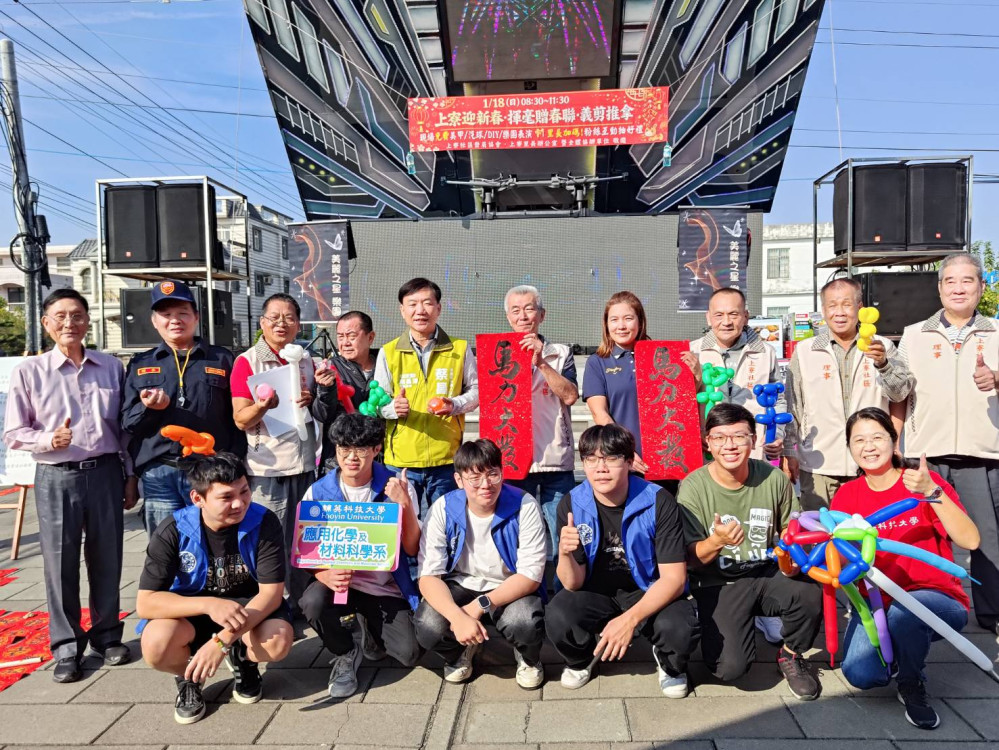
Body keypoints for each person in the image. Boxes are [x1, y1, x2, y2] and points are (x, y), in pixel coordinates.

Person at [3, 289, 137, 683]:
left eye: (76, 315)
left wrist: (130, 475)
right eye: (60, 316)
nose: (69, 323)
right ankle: (66, 646)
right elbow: (13, 432)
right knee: (59, 562)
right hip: (56, 475)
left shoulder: (110, 367)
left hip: (106, 472)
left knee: (108, 557)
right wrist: (49, 439)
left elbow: (123, 430)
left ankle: (107, 636)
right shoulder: (30, 371)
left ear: (87, 321)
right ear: (46, 323)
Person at [832, 406, 979, 730]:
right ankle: (902, 650)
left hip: (937, 597)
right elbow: (840, 560)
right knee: (861, 674)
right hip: (876, 604)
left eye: (876, 437)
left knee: (906, 612)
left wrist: (931, 492)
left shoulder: (923, 482)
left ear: (893, 440)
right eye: (859, 440)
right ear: (850, 447)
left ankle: (912, 682)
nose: (868, 447)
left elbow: (970, 539)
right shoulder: (847, 494)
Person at [679, 403, 823, 700]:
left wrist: (793, 551)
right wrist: (717, 541)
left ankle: (791, 654)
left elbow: (793, 530)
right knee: (729, 668)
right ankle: (717, 621)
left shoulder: (774, 478)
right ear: (708, 443)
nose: (729, 445)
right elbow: (691, 558)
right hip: (718, 581)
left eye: (739, 436)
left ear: (753, 440)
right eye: (720, 438)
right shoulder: (693, 486)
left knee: (809, 593)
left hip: (765, 571)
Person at [136, 452, 293, 725]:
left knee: (277, 641)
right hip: (193, 609)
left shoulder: (264, 521)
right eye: (226, 497)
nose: (239, 503)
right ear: (198, 499)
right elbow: (145, 602)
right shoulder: (173, 529)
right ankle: (189, 676)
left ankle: (243, 659)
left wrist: (222, 641)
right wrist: (209, 604)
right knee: (155, 644)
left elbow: (271, 594)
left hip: (248, 608)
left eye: (244, 491)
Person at [545, 424, 699, 697]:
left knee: (679, 627)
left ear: (629, 461)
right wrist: (566, 553)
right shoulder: (572, 503)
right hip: (596, 591)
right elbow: (572, 583)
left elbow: (675, 579)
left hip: (647, 587)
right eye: (591, 459)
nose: (600, 468)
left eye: (611, 458)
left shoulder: (658, 500)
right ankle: (580, 660)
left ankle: (670, 665)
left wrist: (629, 620)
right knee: (558, 613)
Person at [894, 252, 999, 633]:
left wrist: (997, 379)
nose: (958, 288)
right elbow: (899, 393)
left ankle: (991, 613)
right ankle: (923, 605)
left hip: (981, 452)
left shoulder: (996, 332)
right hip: (926, 453)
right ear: (939, 288)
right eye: (950, 281)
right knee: (922, 534)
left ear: (981, 287)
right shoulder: (913, 334)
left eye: (967, 280)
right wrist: (896, 440)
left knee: (985, 537)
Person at [297, 413, 422, 699]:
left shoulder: (397, 487)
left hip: (383, 586)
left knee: (409, 653)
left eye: (361, 449)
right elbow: (304, 551)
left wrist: (404, 505)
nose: (352, 457)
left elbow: (412, 548)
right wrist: (322, 574)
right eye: (344, 449)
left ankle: (368, 629)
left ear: (377, 449)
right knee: (312, 602)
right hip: (340, 584)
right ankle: (344, 651)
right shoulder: (318, 492)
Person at [689, 286, 786, 645]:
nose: (726, 321)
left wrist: (779, 437)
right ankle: (709, 598)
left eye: (734, 314)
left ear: (746, 315)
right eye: (719, 314)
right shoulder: (692, 352)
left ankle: (765, 606)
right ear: (708, 317)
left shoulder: (765, 351)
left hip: (753, 455)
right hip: (709, 459)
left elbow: (780, 398)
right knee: (709, 529)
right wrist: (694, 378)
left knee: (760, 527)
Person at [230, 293, 335, 616]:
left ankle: (302, 607)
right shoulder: (247, 361)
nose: (281, 323)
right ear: (262, 323)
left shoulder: (307, 360)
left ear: (298, 324)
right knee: (269, 542)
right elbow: (240, 419)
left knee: (304, 541)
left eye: (289, 317)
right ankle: (271, 608)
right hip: (267, 469)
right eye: (274, 318)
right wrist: (263, 406)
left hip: (305, 466)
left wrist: (315, 395)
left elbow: (320, 410)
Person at [414, 439, 546, 689]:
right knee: (428, 626)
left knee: (524, 622)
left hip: (508, 585)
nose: (485, 485)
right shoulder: (443, 507)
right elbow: (429, 576)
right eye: (474, 478)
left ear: (502, 472)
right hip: (460, 583)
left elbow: (531, 575)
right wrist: (458, 617)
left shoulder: (524, 504)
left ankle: (528, 657)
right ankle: (461, 650)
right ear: (458, 480)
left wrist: (479, 605)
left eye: (493, 474)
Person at [120, 280, 246, 534]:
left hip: (210, 471)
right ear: (154, 321)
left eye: (182, 313)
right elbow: (128, 423)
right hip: (159, 472)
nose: (175, 320)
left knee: (213, 543)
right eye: (166, 314)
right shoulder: (141, 363)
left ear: (196, 317)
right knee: (164, 544)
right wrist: (149, 408)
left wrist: (231, 462)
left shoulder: (221, 358)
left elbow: (237, 417)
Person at [783, 277, 910, 510]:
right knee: (820, 528)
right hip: (819, 463)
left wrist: (883, 364)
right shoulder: (805, 351)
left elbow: (900, 394)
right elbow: (794, 405)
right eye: (832, 305)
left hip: (870, 460)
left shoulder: (881, 346)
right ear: (823, 310)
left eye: (846, 304)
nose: (839, 312)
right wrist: (789, 450)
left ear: (860, 308)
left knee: (869, 528)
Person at [373, 278, 478, 512]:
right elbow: (377, 403)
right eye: (412, 304)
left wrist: (454, 404)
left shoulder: (459, 348)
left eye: (427, 303)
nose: (420, 310)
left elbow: (476, 390)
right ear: (402, 310)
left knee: (447, 522)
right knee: (402, 524)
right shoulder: (388, 352)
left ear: (438, 308)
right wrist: (392, 408)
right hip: (401, 462)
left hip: (447, 459)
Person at [583, 291, 698, 476]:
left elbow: (683, 404)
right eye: (614, 320)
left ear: (640, 321)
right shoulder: (597, 362)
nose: (621, 326)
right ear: (606, 324)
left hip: (667, 456)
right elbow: (600, 413)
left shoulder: (663, 357)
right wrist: (625, 451)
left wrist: (695, 375)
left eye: (628, 318)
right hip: (623, 460)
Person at [502, 285, 579, 556]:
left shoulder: (561, 353)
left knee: (563, 539)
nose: (523, 316)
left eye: (529, 309)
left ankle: (562, 583)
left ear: (542, 315)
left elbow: (570, 396)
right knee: (515, 537)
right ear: (508, 318)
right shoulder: (496, 355)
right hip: (513, 461)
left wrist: (541, 362)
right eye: (515, 310)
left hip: (555, 461)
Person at [318, 310, 379, 475]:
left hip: (380, 457)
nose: (345, 343)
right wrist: (326, 389)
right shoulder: (330, 368)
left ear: (370, 337)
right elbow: (321, 414)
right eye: (340, 337)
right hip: (339, 461)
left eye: (351, 336)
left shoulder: (386, 365)